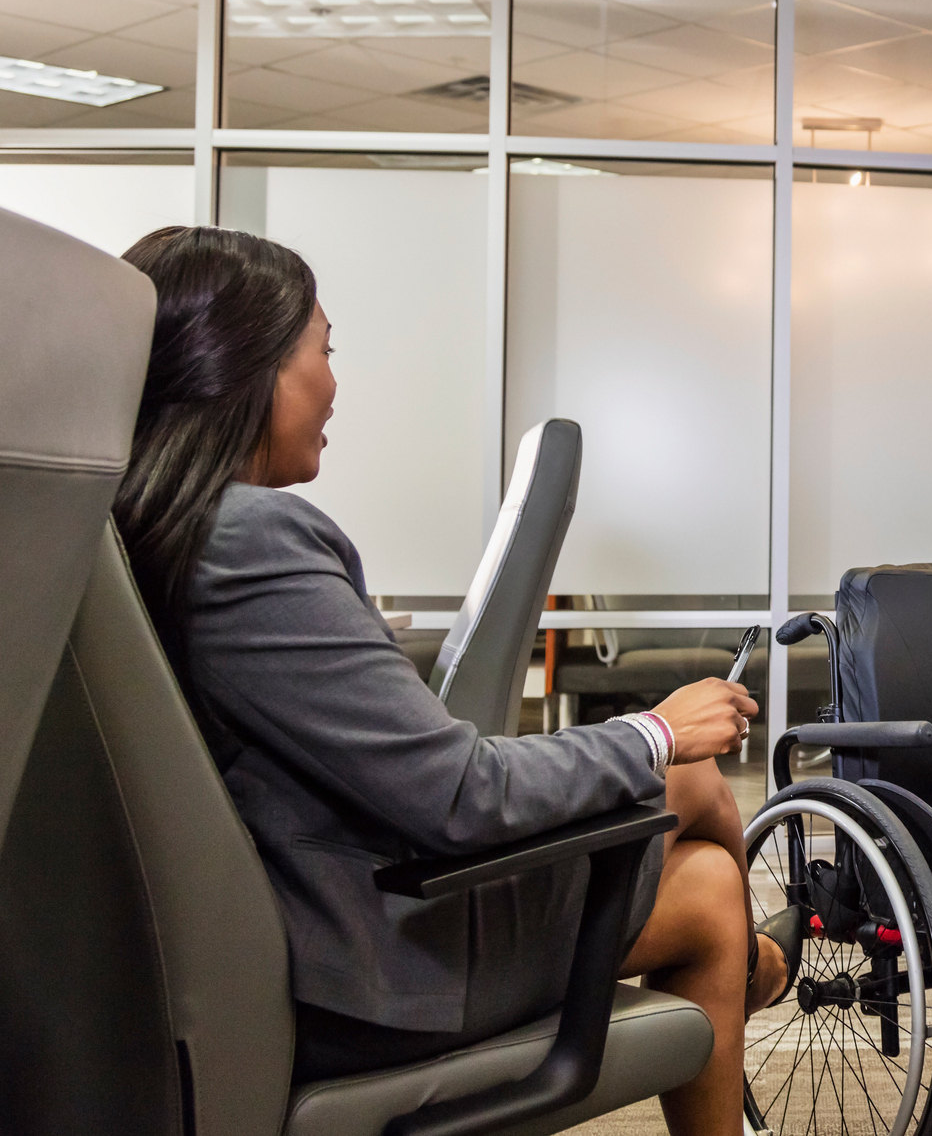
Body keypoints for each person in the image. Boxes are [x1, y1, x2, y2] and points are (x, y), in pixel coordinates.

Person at [111, 225, 797, 1136]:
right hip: (361, 973)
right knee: (702, 821)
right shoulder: (250, 539)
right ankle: (748, 964)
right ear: (249, 369)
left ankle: (748, 957)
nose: (334, 379)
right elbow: (457, 795)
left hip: (274, 932)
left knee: (692, 836)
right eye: (324, 348)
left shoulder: (136, 526)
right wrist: (658, 732)